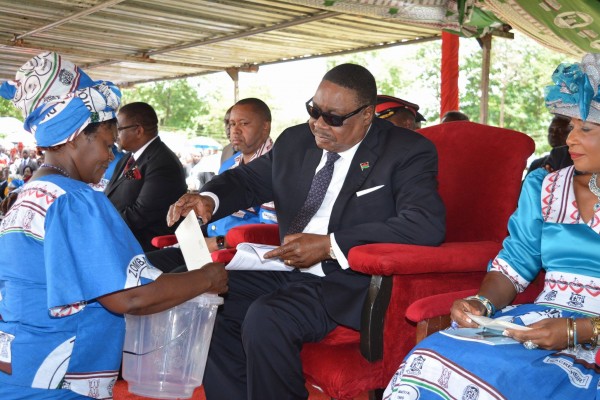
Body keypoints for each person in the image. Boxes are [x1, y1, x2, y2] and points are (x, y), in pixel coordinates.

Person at [167, 63, 445, 400]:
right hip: (282, 266)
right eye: (314, 110)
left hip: (346, 279)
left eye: (334, 118)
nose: (318, 124)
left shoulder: (406, 151)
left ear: (367, 115)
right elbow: (247, 180)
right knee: (202, 290)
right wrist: (209, 198)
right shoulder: (297, 140)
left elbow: (425, 223)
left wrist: (330, 246)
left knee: (266, 318)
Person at [0, 52, 227, 399]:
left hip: (20, 367)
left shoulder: (30, 194)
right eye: (107, 144)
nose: (110, 157)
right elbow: (129, 297)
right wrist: (208, 278)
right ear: (75, 136)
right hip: (59, 380)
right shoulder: (73, 199)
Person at [383, 53, 600, 399]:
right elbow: (513, 265)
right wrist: (482, 303)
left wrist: (580, 330)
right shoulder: (545, 187)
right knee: (432, 357)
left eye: (584, 128)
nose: (570, 138)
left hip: (594, 335)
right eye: (570, 125)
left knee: (517, 381)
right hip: (542, 323)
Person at [146, 98, 276, 272]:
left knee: (173, 281)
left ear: (265, 126)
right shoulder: (229, 164)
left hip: (240, 256)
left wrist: (219, 243)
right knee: (145, 266)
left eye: (244, 124)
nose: (234, 131)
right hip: (207, 246)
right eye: (231, 124)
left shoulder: (278, 169)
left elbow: (267, 233)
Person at [105, 102, 188, 252]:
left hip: (144, 250)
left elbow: (141, 214)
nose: (115, 135)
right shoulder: (128, 158)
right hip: (119, 241)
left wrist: (104, 224)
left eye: (119, 129)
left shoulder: (163, 162)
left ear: (138, 130)